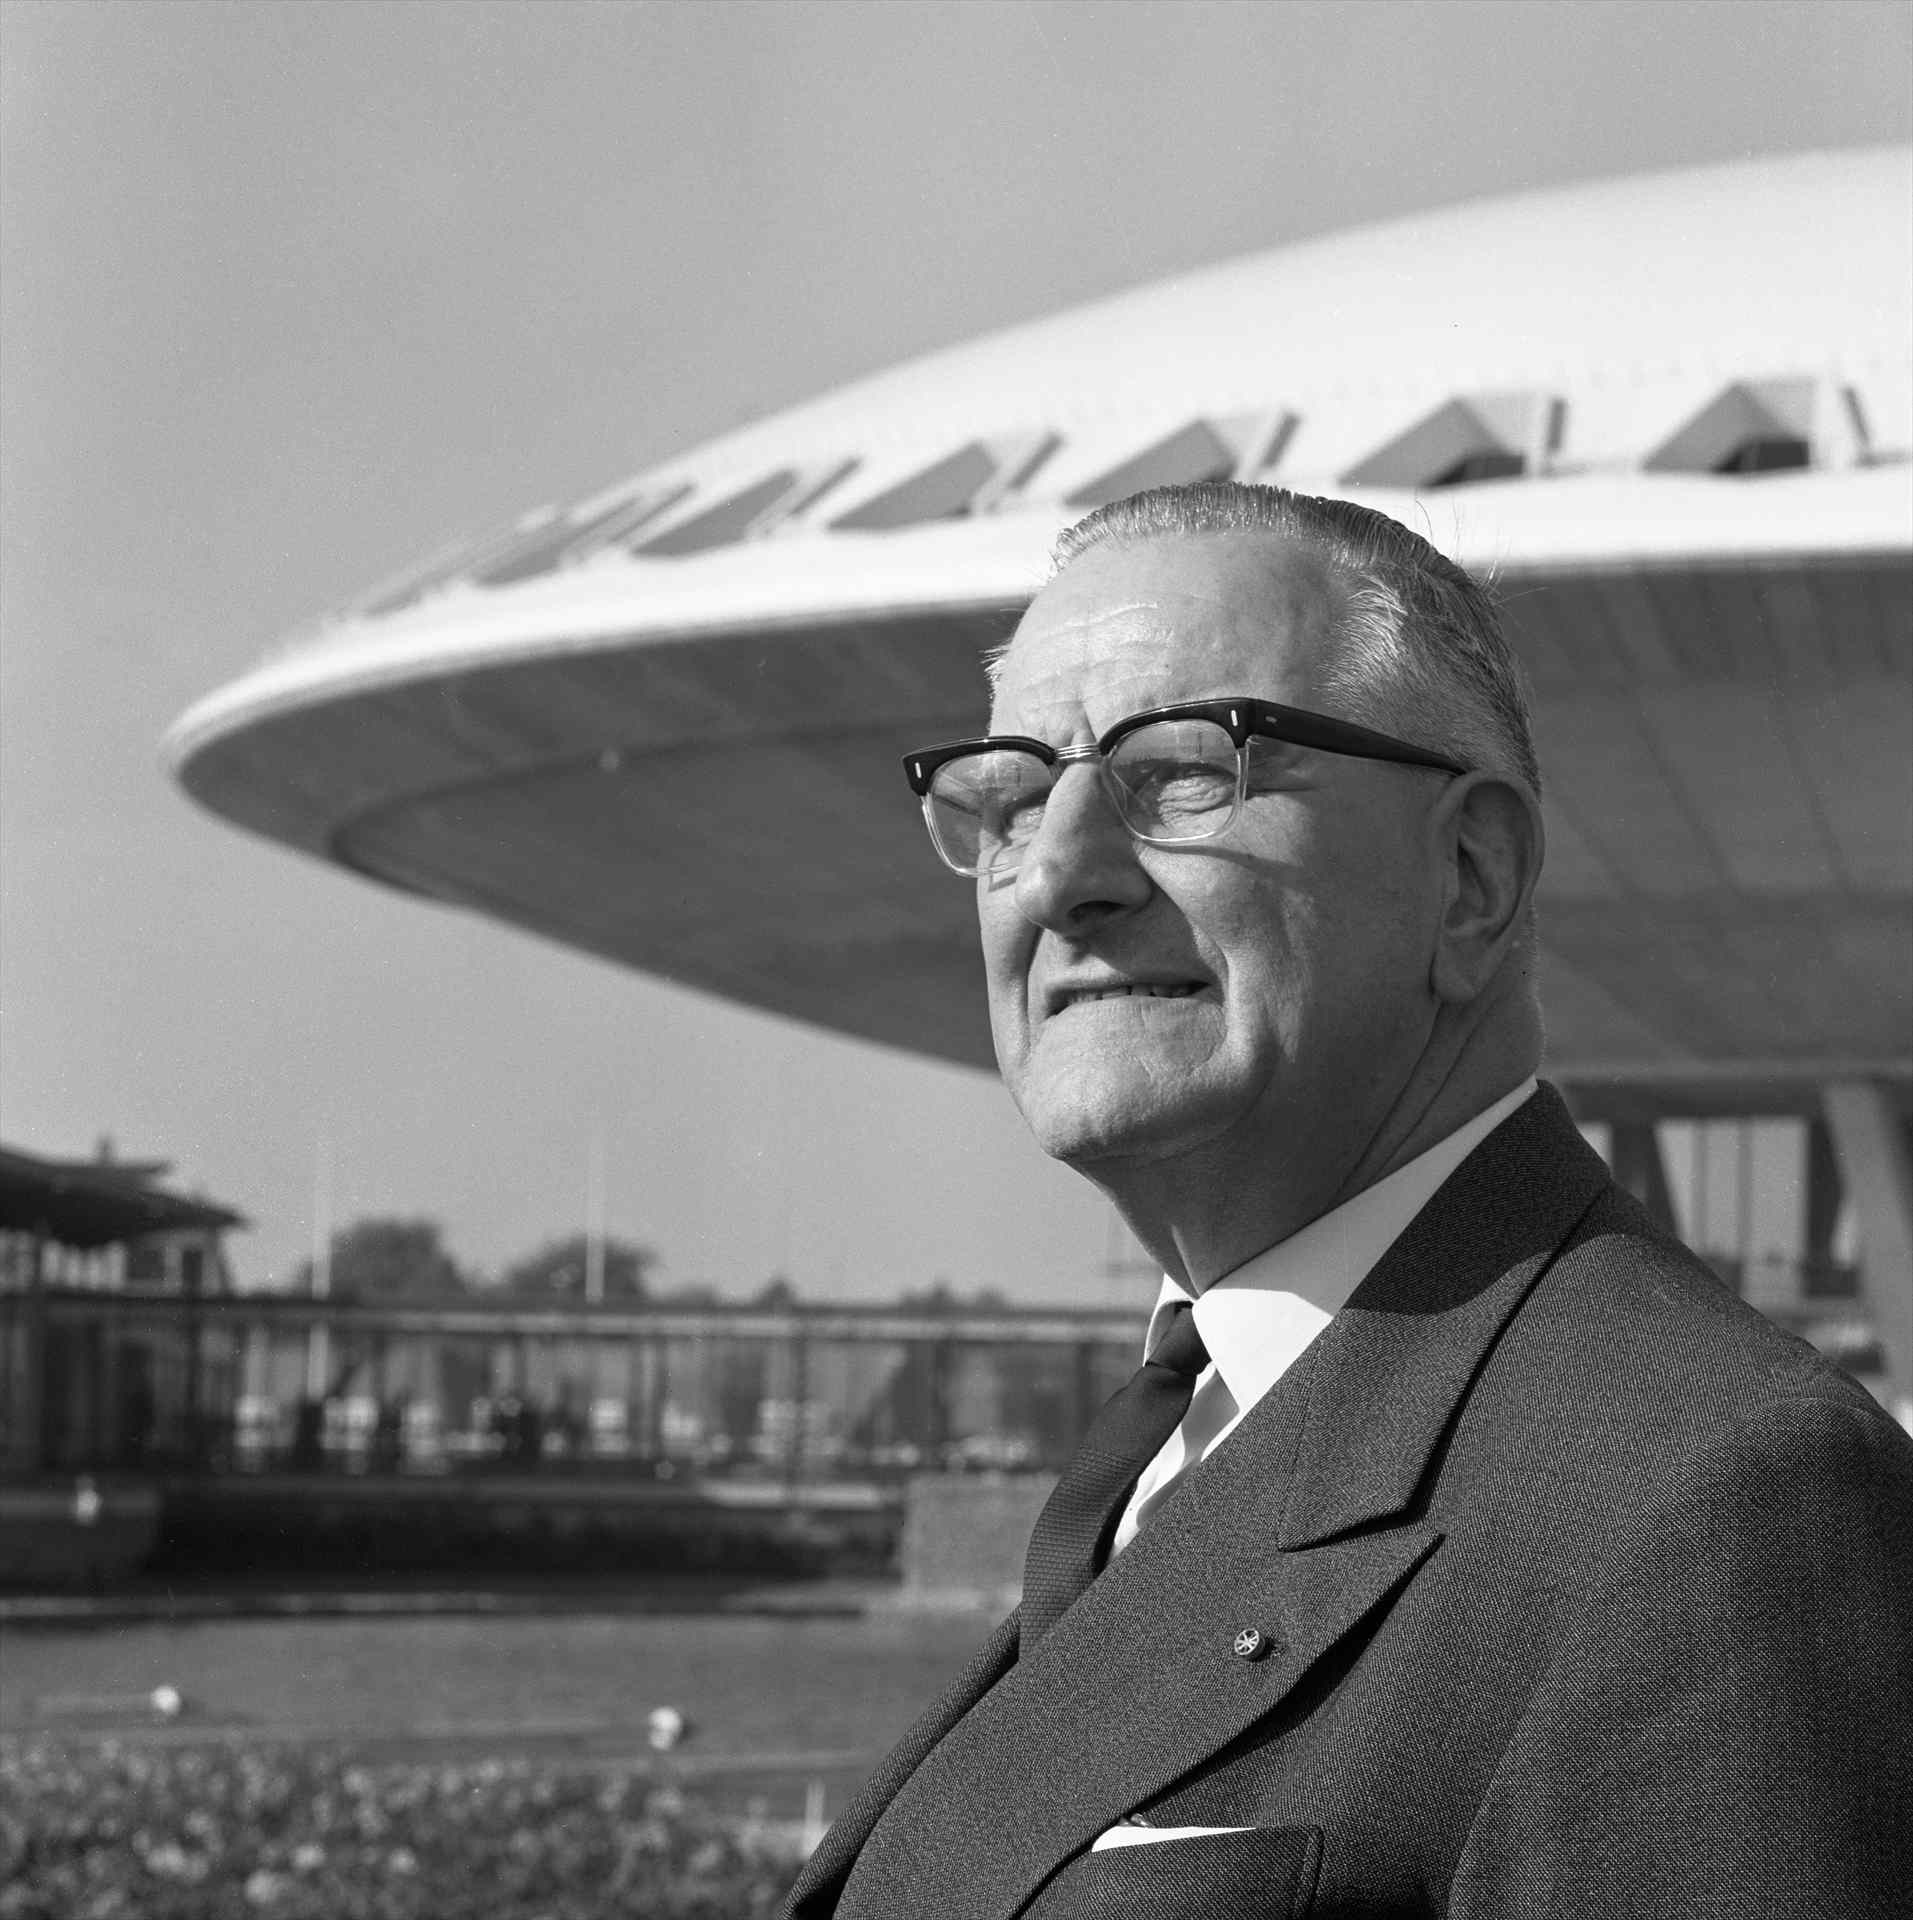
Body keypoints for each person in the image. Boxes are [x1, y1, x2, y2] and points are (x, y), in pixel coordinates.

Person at [782, 483, 1913, 1919]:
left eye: (1182, 770)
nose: (1058, 872)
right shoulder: (1182, 1445)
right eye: (1007, 796)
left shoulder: (1712, 1499)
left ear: (1470, 876)